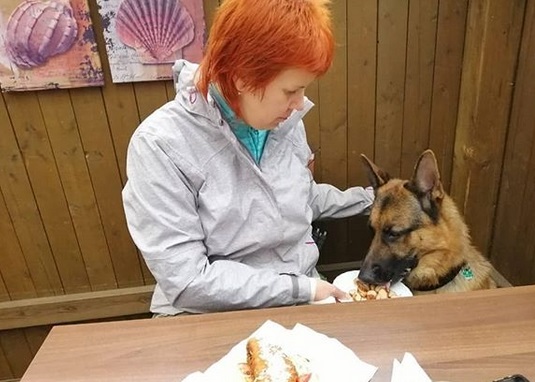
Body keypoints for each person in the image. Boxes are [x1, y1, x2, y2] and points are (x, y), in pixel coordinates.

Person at [122, 0, 374, 316]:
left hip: (301, 296)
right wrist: (300, 288)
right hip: (207, 315)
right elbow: (186, 281)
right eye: (290, 91)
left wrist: (373, 200)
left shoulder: (284, 121)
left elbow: (301, 198)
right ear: (242, 77)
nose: (300, 104)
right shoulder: (160, 145)